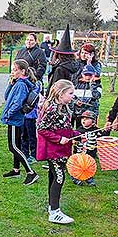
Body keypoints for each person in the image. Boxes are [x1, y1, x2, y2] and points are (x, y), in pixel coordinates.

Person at [36, 79, 78, 224]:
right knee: (59, 178)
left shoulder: (64, 107)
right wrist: (59, 139)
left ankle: (51, 207)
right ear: (60, 94)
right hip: (54, 151)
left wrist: (76, 135)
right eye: (70, 93)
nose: (73, 96)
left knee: (53, 177)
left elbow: (65, 128)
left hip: (62, 150)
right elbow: (41, 128)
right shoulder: (52, 109)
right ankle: (55, 212)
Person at [1, 60, 39, 185]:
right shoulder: (17, 83)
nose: (13, 72)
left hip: (14, 119)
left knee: (13, 147)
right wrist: (11, 83)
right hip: (14, 118)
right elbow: (7, 96)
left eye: (15, 70)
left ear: (22, 71)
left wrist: (8, 114)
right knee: (16, 144)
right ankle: (16, 169)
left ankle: (31, 172)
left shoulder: (22, 85)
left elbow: (17, 103)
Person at [72, 110, 108, 186]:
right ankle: (75, 177)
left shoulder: (96, 130)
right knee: (78, 166)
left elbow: (103, 137)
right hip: (79, 153)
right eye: (82, 118)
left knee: (89, 166)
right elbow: (73, 138)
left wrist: (106, 130)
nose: (84, 120)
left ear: (93, 121)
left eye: (87, 118)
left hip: (90, 154)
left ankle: (89, 177)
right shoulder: (78, 131)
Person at [47, 25, 80, 92]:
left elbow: (56, 87)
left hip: (61, 98)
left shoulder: (60, 69)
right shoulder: (75, 65)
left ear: (58, 55)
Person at [21, 70, 41, 165]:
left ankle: (34, 154)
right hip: (23, 115)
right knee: (23, 135)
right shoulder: (22, 85)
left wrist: (25, 81)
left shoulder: (36, 84)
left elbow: (33, 94)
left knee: (31, 136)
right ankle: (25, 153)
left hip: (31, 115)